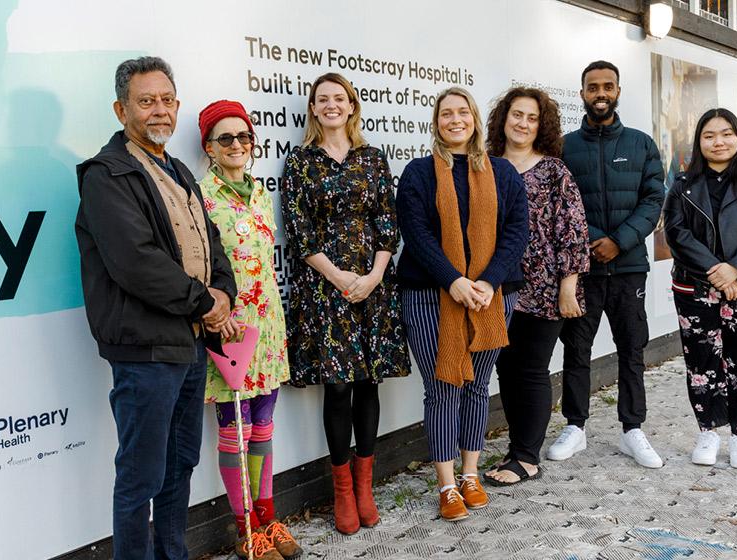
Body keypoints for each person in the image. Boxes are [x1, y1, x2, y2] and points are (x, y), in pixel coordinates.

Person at [75, 56, 237, 560]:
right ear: (122, 108)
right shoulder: (107, 174)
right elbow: (135, 261)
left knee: (180, 463)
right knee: (141, 477)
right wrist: (205, 303)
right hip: (145, 349)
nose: (160, 111)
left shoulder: (178, 168)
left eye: (167, 101)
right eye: (147, 102)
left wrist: (224, 291)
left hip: (188, 344)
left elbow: (210, 243)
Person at [280, 73, 411, 535]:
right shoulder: (299, 162)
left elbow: (385, 220)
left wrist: (374, 276)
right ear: (313, 109)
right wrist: (338, 277)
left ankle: (364, 487)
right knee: (337, 388)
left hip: (372, 285)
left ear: (352, 106)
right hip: (325, 288)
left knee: (368, 384)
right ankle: (340, 491)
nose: (331, 105)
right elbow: (299, 231)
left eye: (339, 98)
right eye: (322, 100)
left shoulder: (372, 158)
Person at [396, 87, 528, 521]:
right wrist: (452, 280)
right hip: (430, 296)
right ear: (436, 122)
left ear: (474, 119)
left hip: (491, 297)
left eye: (462, 112)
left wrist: (488, 282)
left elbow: (516, 233)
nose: (455, 120)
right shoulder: (418, 174)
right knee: (442, 388)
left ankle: (471, 473)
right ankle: (447, 484)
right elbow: (416, 234)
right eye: (446, 113)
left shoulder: (504, 173)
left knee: (476, 386)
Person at [550, 60, 666, 468]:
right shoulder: (565, 147)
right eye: (593, 87)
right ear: (582, 93)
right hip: (582, 270)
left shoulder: (640, 144)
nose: (601, 93)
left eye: (608, 86)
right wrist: (590, 242)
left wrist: (619, 241)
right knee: (576, 348)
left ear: (618, 91)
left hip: (629, 267)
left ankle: (633, 429)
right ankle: (575, 427)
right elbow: (562, 206)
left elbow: (654, 200)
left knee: (631, 348)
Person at [197, 100, 299, 560]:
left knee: (263, 426)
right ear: (209, 147)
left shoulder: (259, 193)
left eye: (244, 137)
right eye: (225, 138)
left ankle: (268, 516)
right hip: (231, 330)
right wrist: (215, 313)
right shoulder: (199, 197)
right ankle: (245, 530)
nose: (237, 145)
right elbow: (198, 264)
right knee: (233, 431)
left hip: (269, 327)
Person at [480, 87, 592, 486]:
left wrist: (568, 286)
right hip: (497, 286)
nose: (523, 123)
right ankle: (516, 448)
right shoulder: (486, 167)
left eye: (531, 118)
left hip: (546, 287)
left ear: (540, 126)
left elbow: (573, 231)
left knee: (530, 370)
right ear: (503, 119)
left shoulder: (553, 171)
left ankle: (527, 457)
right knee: (505, 370)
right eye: (517, 115)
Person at [662, 108, 737, 469]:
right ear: (699, 141)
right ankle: (707, 432)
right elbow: (676, 233)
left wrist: (736, 270)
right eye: (709, 135)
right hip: (695, 285)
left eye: (726, 133)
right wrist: (715, 272)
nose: (719, 141)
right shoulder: (683, 185)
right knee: (701, 359)